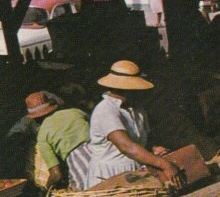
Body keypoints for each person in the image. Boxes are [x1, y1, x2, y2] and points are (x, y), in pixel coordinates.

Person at [86, 60, 183, 189]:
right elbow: (127, 147)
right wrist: (164, 164)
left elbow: (142, 142)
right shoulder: (106, 110)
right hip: (109, 175)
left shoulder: (137, 110)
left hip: (134, 172)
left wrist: (154, 149)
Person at [26, 91, 92, 189]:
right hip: (103, 155)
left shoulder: (42, 134)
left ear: (35, 119)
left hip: (81, 165)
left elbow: (56, 174)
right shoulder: (75, 112)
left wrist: (48, 187)